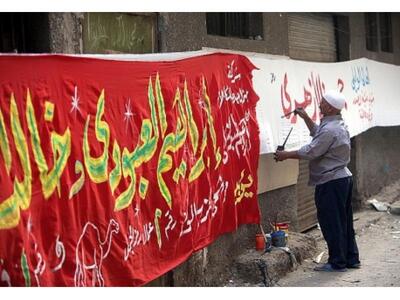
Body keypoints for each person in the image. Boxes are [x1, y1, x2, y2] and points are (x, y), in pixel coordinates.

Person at [274, 90, 360, 272]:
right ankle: (351, 258)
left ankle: (337, 262)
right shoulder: (336, 125)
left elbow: (311, 151)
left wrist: (285, 155)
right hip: (341, 178)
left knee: (331, 222)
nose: (319, 104)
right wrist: (305, 117)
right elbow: (318, 134)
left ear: (329, 107)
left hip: (331, 181)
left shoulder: (330, 129)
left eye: (321, 102)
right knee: (344, 221)